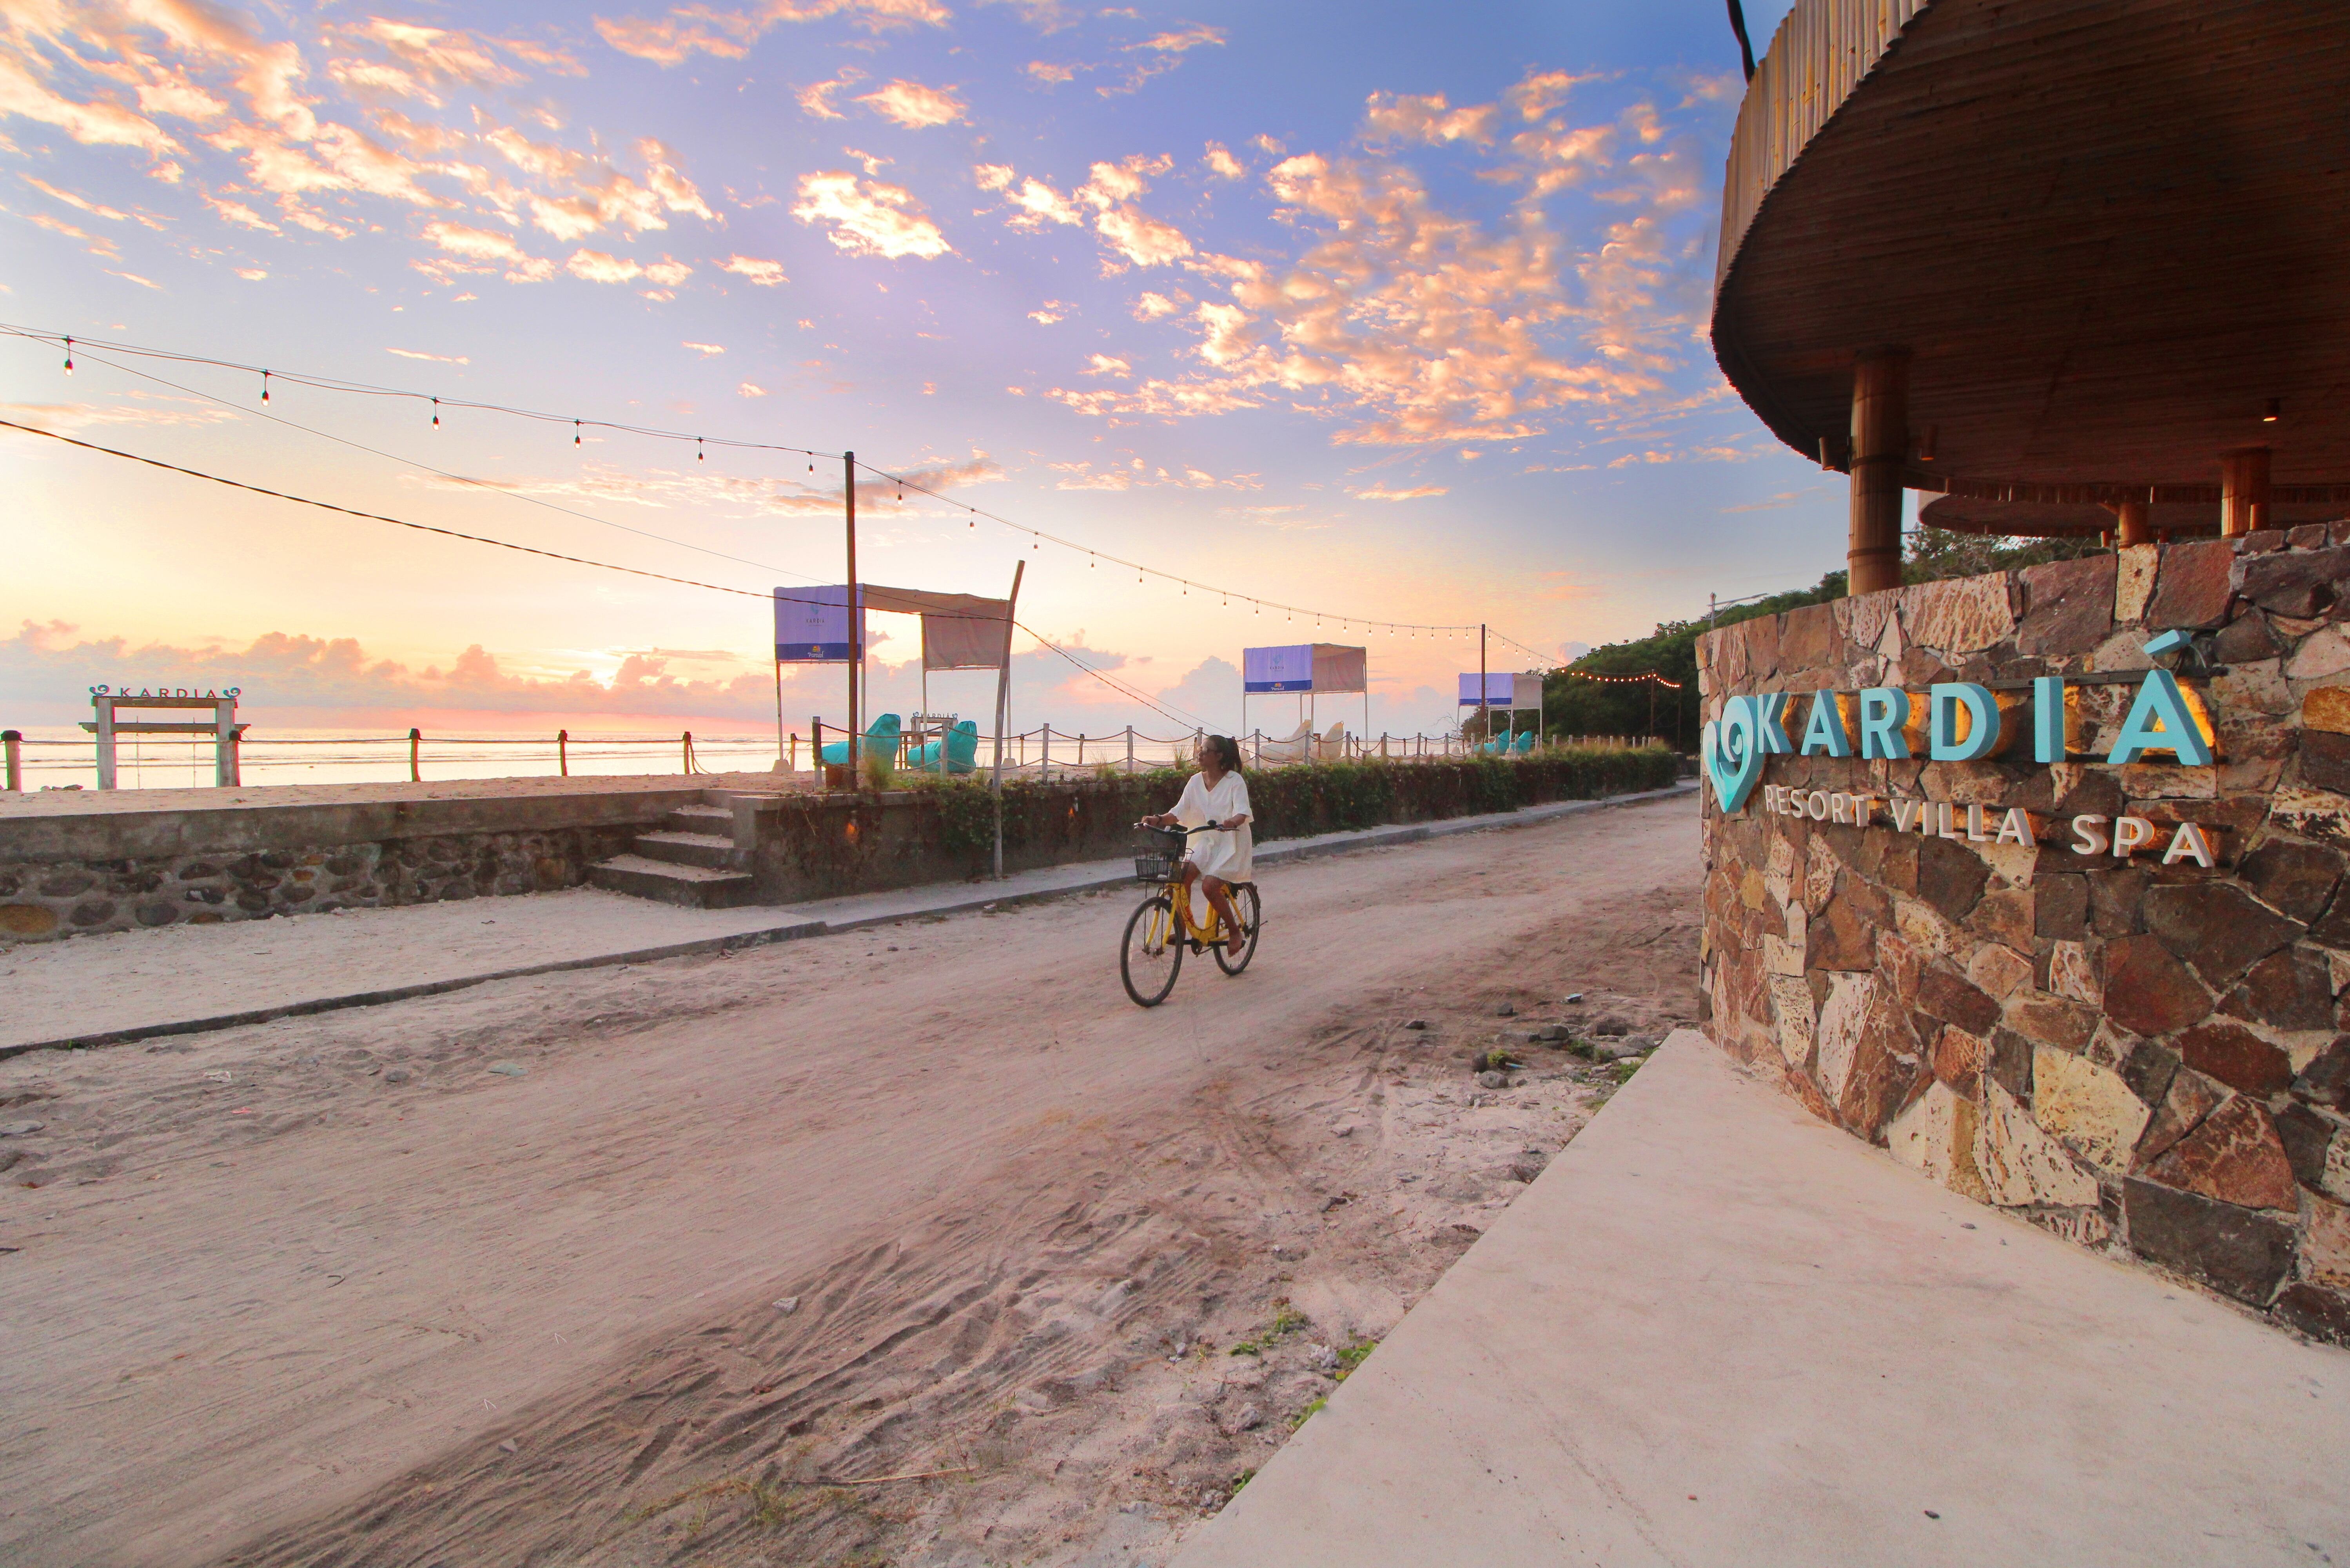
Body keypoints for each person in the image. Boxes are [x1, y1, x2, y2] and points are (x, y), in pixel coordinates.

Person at [1140, 734, 1253, 948]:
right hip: (1206, 841)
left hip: (1231, 843)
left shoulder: (1234, 781)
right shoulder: (1195, 782)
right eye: (1200, 749)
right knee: (1181, 876)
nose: (1200, 753)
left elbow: (1243, 813)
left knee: (1210, 887)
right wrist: (1158, 819)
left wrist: (1231, 822)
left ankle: (1235, 932)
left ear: (1219, 756)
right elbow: (1179, 812)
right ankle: (1182, 928)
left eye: (1206, 750)